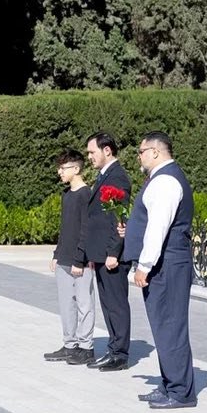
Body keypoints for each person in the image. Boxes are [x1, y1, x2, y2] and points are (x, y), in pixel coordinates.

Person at [121, 131, 198, 409]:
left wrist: (144, 266)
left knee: (170, 326)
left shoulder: (165, 181)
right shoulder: (163, 178)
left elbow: (158, 227)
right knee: (163, 326)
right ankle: (169, 384)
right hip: (166, 264)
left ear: (155, 152)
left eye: (141, 152)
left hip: (167, 265)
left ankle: (180, 392)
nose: (139, 157)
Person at [79, 131, 132, 371]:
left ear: (107, 150)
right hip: (101, 254)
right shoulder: (104, 176)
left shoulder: (117, 177)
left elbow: (118, 218)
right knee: (108, 305)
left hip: (111, 256)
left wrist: (113, 252)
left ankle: (119, 354)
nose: (89, 157)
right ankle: (113, 349)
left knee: (116, 305)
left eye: (92, 152)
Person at [43, 149, 95, 365]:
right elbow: (65, 228)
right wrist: (57, 254)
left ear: (76, 168)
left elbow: (86, 229)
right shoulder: (66, 195)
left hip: (81, 261)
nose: (59, 172)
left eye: (63, 168)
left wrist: (79, 259)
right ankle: (69, 344)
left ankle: (86, 347)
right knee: (67, 305)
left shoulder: (86, 194)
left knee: (84, 303)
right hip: (64, 259)